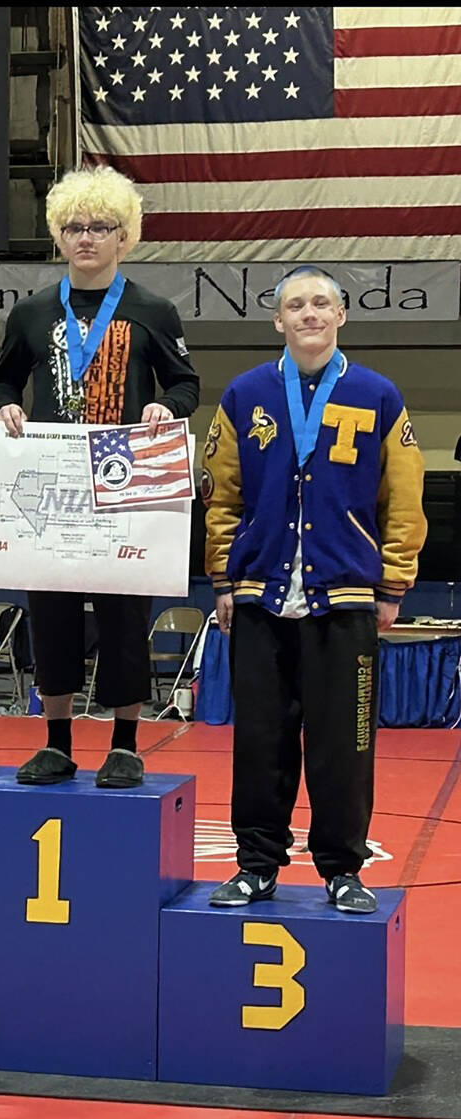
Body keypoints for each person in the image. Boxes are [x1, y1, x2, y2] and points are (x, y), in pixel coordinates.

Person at [202, 266, 427, 915]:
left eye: (321, 303)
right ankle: (255, 866)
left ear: (341, 316)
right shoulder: (246, 396)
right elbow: (221, 496)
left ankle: (341, 869)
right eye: (296, 305)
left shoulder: (378, 395)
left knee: (345, 744)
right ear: (278, 321)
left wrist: (393, 581)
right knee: (260, 744)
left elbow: (405, 497)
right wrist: (223, 577)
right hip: (259, 596)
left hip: (347, 598)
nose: (309, 314)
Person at [0, 165, 199, 788]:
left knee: (123, 615)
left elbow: (186, 382)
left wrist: (169, 406)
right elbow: (0, 377)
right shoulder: (31, 312)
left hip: (125, 475)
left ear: (124, 237)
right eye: (74, 227)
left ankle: (126, 743)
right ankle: (55, 741)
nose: (86, 238)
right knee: (49, 612)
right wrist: (5, 404)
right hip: (50, 480)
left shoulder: (152, 310)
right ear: (58, 235)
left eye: (100, 227)